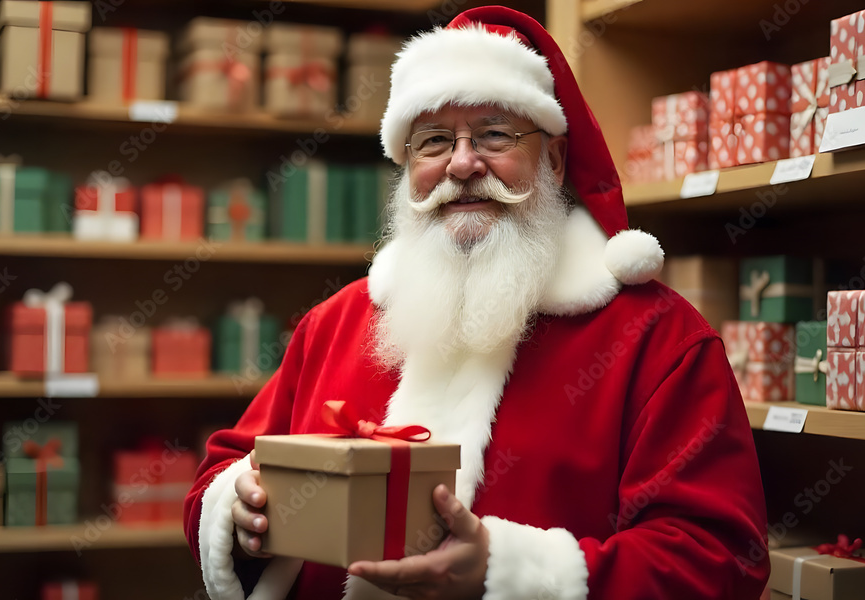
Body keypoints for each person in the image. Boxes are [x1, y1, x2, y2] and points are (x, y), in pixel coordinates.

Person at [184, 6, 770, 600]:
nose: (462, 164)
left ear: (555, 159)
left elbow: (718, 559)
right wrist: (244, 511)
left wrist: (506, 573)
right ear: (408, 165)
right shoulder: (335, 323)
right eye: (434, 141)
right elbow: (224, 468)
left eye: (495, 134)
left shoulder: (658, 339)